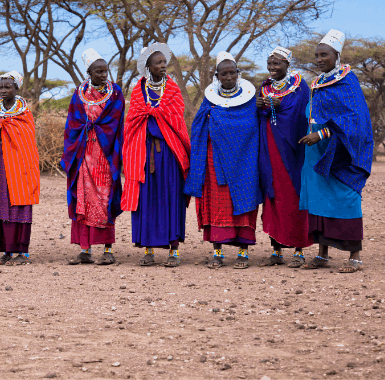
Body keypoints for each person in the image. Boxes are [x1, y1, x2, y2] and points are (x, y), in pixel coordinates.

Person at [299, 30, 372, 273]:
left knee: (346, 198)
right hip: (316, 151)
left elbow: (355, 120)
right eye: (317, 55)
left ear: (337, 55)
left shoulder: (347, 81)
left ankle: (355, 256)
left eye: (324, 55)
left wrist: (321, 134)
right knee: (319, 200)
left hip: (341, 151)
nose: (319, 59)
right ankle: (322, 254)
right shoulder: (317, 83)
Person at [185, 52, 261, 269]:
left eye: (232, 73)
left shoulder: (250, 101)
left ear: (239, 74)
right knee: (216, 205)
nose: (228, 77)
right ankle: (217, 253)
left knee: (243, 204)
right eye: (224, 74)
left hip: (244, 162)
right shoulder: (209, 100)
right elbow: (199, 126)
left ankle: (243, 254)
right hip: (214, 161)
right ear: (216, 76)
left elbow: (252, 127)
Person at [121, 44, 192, 267]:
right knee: (146, 200)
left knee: (172, 198)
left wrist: (156, 116)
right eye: (158, 63)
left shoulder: (172, 89)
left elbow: (177, 117)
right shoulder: (137, 91)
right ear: (147, 67)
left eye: (164, 62)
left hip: (169, 154)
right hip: (143, 153)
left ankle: (174, 251)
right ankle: (148, 250)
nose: (163, 66)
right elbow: (132, 120)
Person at [62, 49, 125, 265]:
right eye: (98, 71)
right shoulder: (79, 94)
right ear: (88, 72)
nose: (103, 75)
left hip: (105, 155)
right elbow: (72, 124)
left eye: (105, 71)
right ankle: (85, 250)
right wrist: (82, 134)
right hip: (82, 154)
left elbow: (116, 123)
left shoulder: (115, 93)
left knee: (105, 198)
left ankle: (108, 249)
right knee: (84, 200)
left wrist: (97, 130)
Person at [256, 46, 312, 268]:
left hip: (292, 152)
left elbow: (303, 114)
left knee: (294, 197)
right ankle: (276, 250)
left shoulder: (299, 87)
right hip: (269, 149)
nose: (272, 67)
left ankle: (299, 251)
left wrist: (280, 106)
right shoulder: (265, 87)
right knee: (273, 197)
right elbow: (260, 115)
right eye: (270, 63)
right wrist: (259, 106)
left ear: (288, 64)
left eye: (277, 63)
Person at [0, 70, 40, 266]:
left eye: (8, 87)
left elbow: (27, 140)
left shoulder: (24, 113)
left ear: (17, 88)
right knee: (1, 205)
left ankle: (22, 252)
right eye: (1, 87)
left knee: (19, 205)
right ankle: (6, 250)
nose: (3, 90)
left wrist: (4, 126)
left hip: (19, 167)